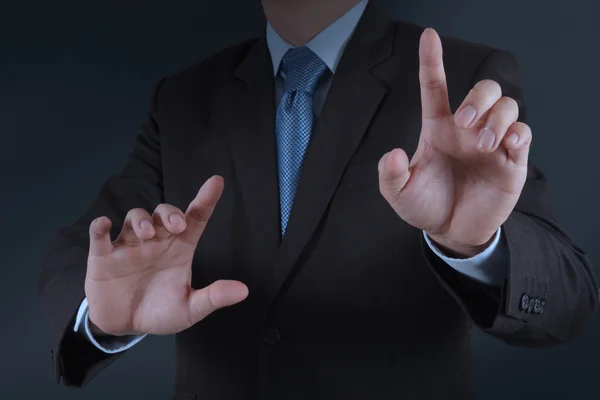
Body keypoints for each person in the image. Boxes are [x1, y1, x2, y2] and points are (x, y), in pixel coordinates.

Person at [38, 0, 598, 398]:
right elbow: (80, 254)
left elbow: (568, 299)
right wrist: (102, 318)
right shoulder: (184, 97)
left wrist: (475, 244)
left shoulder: (463, 78)